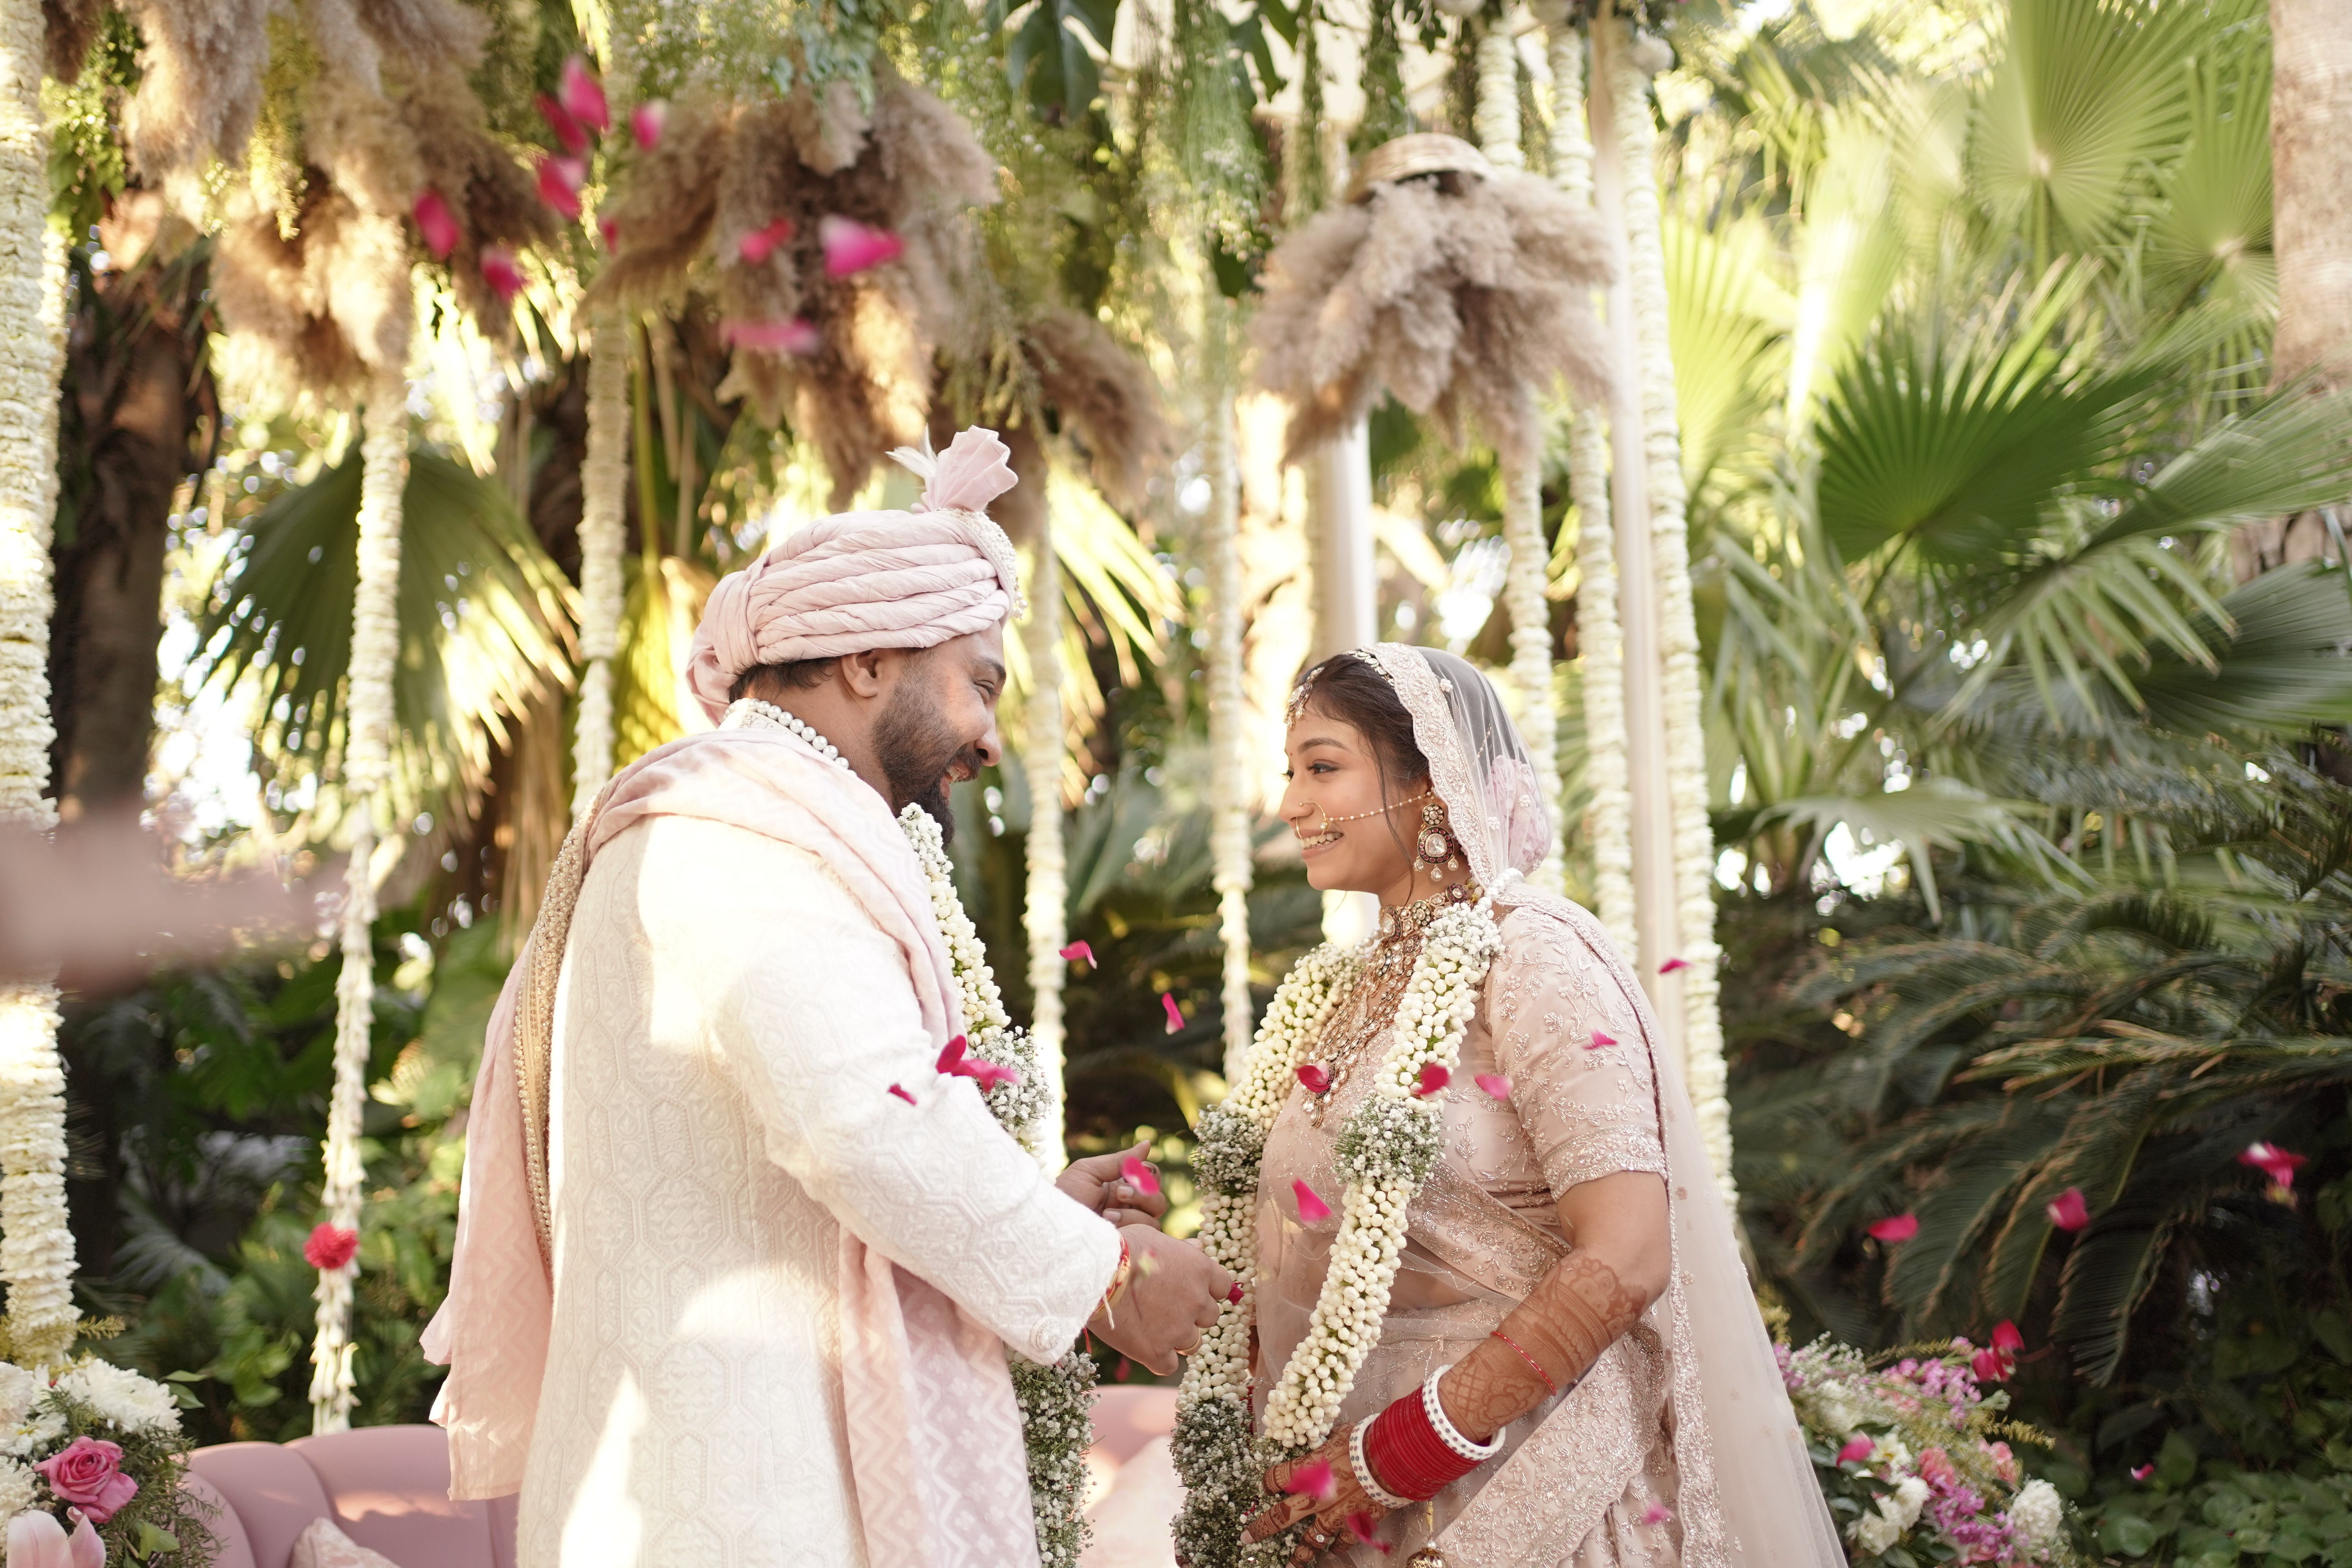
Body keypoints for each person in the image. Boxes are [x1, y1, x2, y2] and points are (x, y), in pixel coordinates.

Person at [421, 426, 1232, 1568]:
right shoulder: (740, 838)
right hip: (729, 1499)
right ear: (867, 662)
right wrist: (1109, 1277)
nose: (987, 740)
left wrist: (1043, 1207)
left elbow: (790, 1162)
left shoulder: (742, 820)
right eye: (978, 684)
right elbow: (863, 1123)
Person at [1194, 645, 1842, 1567]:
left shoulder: (1534, 955)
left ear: (1427, 784)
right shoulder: (1339, 992)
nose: (1292, 803)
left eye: (1322, 767)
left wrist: (1401, 1452)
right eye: (1290, 772)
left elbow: (1628, 1252)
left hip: (1524, 1498)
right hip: (1340, 1512)